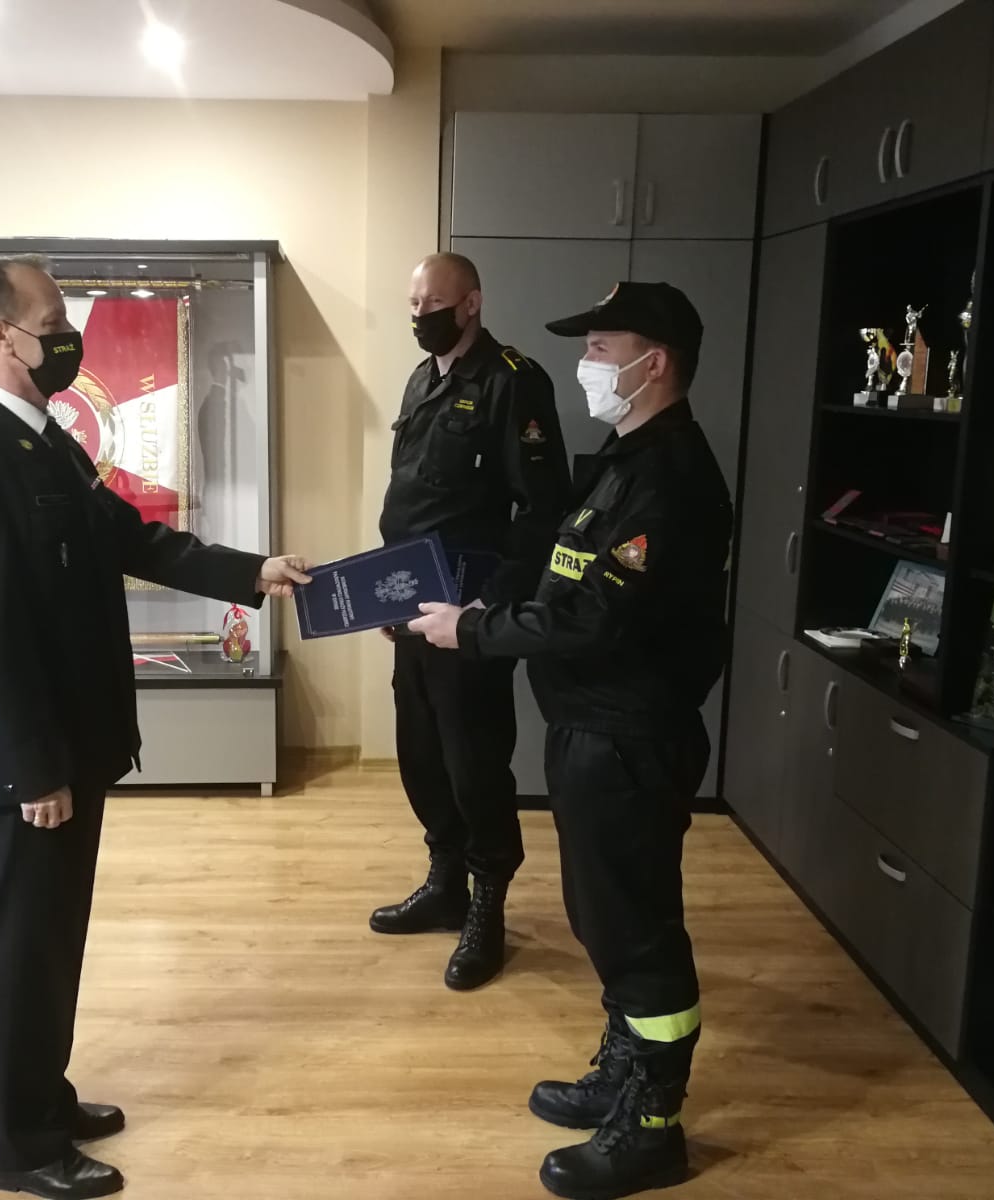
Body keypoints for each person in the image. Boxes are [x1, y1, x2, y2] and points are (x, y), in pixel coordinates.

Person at [0, 255, 310, 1200]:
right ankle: (19, 1148)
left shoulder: (48, 442)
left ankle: (44, 1099)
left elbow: (130, 539)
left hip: (73, 748)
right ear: (1, 336)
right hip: (30, 765)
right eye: (52, 322)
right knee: (23, 951)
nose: (68, 336)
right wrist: (34, 769)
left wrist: (251, 571)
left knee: (56, 941)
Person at [409, 281, 730, 1199]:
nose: (585, 363)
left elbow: (595, 617)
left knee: (637, 932)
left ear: (653, 363)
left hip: (628, 735)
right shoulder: (624, 460)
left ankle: (653, 1126)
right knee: (604, 918)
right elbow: (561, 572)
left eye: (600, 347)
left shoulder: (668, 478)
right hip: (590, 728)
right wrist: (480, 602)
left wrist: (473, 632)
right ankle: (622, 1072)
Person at [372, 252, 570, 991]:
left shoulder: (513, 380)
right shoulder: (422, 379)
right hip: (413, 606)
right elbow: (412, 499)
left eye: (433, 303)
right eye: (413, 303)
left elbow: (543, 511)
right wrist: (385, 592)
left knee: (474, 760)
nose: (420, 315)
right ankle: (445, 882)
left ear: (472, 302)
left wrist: (491, 606)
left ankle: (488, 901)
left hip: (470, 613)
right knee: (421, 751)